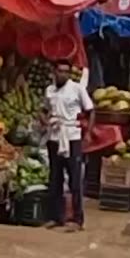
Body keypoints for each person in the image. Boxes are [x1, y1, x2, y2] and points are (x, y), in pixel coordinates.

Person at [44, 60, 94, 231]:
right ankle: (56, 217)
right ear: (54, 71)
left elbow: (90, 110)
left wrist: (87, 133)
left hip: (72, 136)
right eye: (60, 71)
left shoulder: (77, 89)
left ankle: (77, 219)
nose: (62, 74)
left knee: (75, 179)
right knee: (55, 178)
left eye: (66, 72)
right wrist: (45, 120)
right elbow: (44, 109)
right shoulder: (49, 90)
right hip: (54, 136)